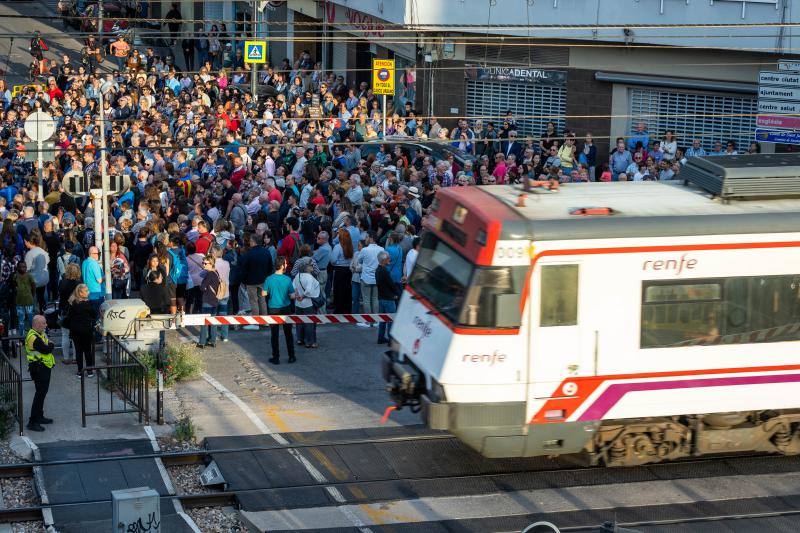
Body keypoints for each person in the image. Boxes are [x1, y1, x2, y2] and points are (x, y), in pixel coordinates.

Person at [261, 257, 295, 364]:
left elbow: (263, 293)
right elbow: (292, 295)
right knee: (288, 333)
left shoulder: (269, 279)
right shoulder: (288, 279)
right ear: (282, 266)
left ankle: (276, 357)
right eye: (285, 264)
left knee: (274, 334)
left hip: (273, 308)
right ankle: (291, 356)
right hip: (285, 307)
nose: (286, 265)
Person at [25, 315, 55, 432]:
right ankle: (32, 422)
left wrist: (49, 344)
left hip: (43, 367)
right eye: (44, 323)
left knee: (42, 394)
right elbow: (47, 349)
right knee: (39, 395)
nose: (46, 325)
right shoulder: (34, 337)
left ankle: (39, 416)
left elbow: (47, 345)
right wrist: (50, 345)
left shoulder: (39, 334)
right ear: (37, 324)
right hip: (39, 369)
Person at [63, 284, 97, 378]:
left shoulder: (72, 303)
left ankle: (80, 371)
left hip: (75, 330)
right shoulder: (87, 304)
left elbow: (68, 317)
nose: (88, 292)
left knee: (78, 351)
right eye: (86, 291)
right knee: (87, 350)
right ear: (81, 293)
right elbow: (94, 314)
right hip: (86, 330)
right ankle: (89, 371)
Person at [240, 233, 273, 330]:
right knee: (262, 300)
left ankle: (255, 322)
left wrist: (244, 280)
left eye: (250, 241)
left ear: (253, 242)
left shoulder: (249, 254)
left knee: (253, 301)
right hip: (263, 280)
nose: (249, 242)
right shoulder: (266, 252)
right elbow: (270, 266)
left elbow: (244, 269)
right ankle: (265, 321)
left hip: (251, 282)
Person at [293, 261, 320, 348]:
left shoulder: (298, 275)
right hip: (308, 303)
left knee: (299, 322)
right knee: (310, 322)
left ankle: (300, 339)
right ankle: (310, 342)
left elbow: (293, 286)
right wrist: (303, 296)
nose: (312, 266)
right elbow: (309, 290)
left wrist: (297, 295)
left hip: (298, 303)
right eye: (310, 265)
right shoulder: (309, 277)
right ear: (306, 267)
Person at [57, 263, 81, 364]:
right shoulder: (79, 284)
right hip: (76, 311)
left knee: (65, 335)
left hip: (65, 310)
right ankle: (76, 358)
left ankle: (66, 358)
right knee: (76, 335)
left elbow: (60, 296)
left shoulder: (62, 282)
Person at [376, 251, 400, 344]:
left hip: (381, 297)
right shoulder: (385, 271)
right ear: (384, 260)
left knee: (382, 319)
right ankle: (391, 339)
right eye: (388, 258)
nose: (389, 259)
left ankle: (381, 337)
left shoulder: (378, 270)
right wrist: (397, 293)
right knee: (391, 320)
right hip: (389, 298)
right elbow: (391, 284)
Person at [197, 255, 222, 348]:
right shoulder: (216, 272)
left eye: (205, 263)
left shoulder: (209, 274)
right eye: (202, 263)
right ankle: (212, 340)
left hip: (207, 300)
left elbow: (202, 287)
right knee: (213, 321)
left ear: (211, 264)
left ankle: (202, 342)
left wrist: (203, 285)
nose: (203, 264)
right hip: (215, 300)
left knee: (204, 322)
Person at [330, 228, 354, 313]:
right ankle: (347, 309)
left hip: (339, 269)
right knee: (347, 289)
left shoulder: (338, 246)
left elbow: (333, 260)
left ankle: (339, 309)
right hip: (348, 270)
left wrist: (336, 263)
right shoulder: (350, 246)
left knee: (338, 289)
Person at [14, 261, 36, 333]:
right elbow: (14, 285)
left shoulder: (29, 276)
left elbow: (33, 286)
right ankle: (21, 336)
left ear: (26, 267)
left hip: (29, 301)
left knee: (30, 318)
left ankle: (33, 334)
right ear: (17, 268)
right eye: (20, 267)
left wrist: (32, 295)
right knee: (21, 320)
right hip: (19, 302)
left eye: (24, 267)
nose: (22, 268)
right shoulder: (15, 276)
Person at [81, 246, 104, 313]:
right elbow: (99, 280)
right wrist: (107, 276)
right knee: (97, 316)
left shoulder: (84, 262)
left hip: (87, 292)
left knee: (90, 315)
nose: (99, 255)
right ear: (92, 254)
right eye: (98, 253)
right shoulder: (94, 263)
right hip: (97, 294)